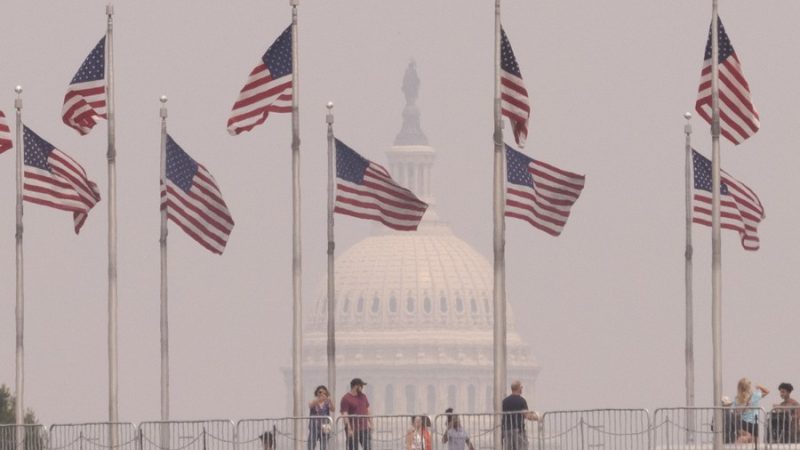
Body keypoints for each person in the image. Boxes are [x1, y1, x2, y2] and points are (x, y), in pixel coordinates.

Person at [501, 380, 538, 450]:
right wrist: (538, 417)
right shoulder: (521, 401)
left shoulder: (505, 401)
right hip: (518, 430)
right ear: (518, 388)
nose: (522, 389)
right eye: (521, 387)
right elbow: (527, 415)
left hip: (507, 430)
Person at [340, 378, 371, 450]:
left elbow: (367, 409)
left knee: (368, 447)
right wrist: (349, 428)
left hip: (364, 428)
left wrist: (370, 423)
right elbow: (345, 414)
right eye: (361, 386)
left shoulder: (363, 396)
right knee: (353, 448)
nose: (362, 388)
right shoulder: (346, 398)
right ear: (356, 386)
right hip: (353, 429)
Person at [308, 385, 335, 450]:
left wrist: (330, 400)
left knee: (324, 446)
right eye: (320, 392)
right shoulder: (314, 401)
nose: (322, 394)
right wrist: (319, 399)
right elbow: (310, 405)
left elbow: (333, 409)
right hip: (314, 426)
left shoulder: (327, 402)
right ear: (317, 392)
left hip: (325, 426)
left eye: (324, 392)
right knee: (311, 445)